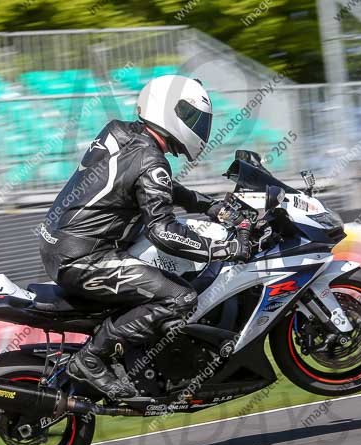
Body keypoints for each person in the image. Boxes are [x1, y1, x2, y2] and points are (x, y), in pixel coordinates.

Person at [39, 75, 251, 398]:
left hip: (61, 244)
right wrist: (221, 247)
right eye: (192, 117)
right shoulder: (151, 160)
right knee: (180, 298)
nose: (198, 127)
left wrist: (208, 206)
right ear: (169, 111)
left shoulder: (121, 133)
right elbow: (163, 229)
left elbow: (155, 187)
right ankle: (91, 357)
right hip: (86, 258)